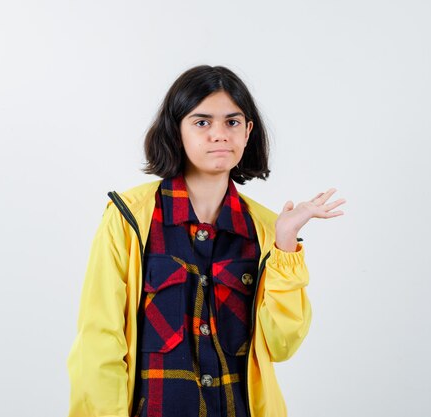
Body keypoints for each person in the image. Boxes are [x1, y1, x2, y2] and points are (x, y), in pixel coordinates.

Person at [67, 65, 346, 417]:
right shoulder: (129, 218)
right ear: (177, 131)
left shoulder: (265, 230)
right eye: (202, 122)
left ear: (247, 132)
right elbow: (99, 340)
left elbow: (281, 343)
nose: (219, 134)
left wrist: (285, 246)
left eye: (232, 122)